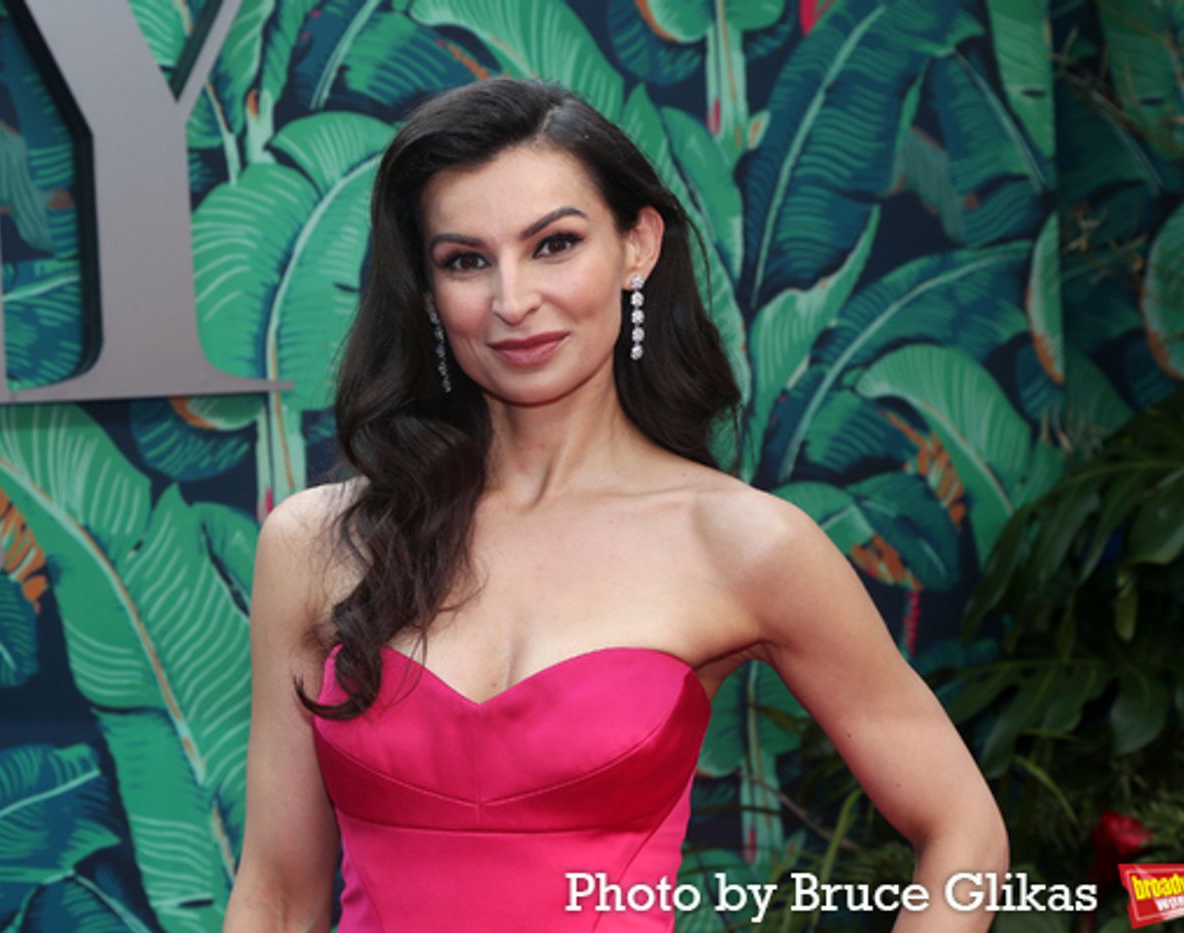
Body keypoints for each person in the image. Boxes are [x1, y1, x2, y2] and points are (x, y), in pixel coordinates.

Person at [222, 77, 1007, 932]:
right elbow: (278, 893)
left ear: (638, 245)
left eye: (554, 244)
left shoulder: (740, 544)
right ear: (427, 290)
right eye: (466, 260)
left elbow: (964, 830)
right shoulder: (320, 543)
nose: (513, 300)